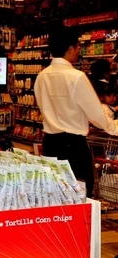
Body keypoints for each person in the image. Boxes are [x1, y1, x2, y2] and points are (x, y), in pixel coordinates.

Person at [34, 27, 118, 197]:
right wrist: (113, 128)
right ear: (70, 48)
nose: (79, 50)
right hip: (73, 147)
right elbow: (96, 114)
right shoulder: (76, 76)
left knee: (54, 195)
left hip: (50, 143)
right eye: (78, 46)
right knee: (80, 196)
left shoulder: (42, 76)